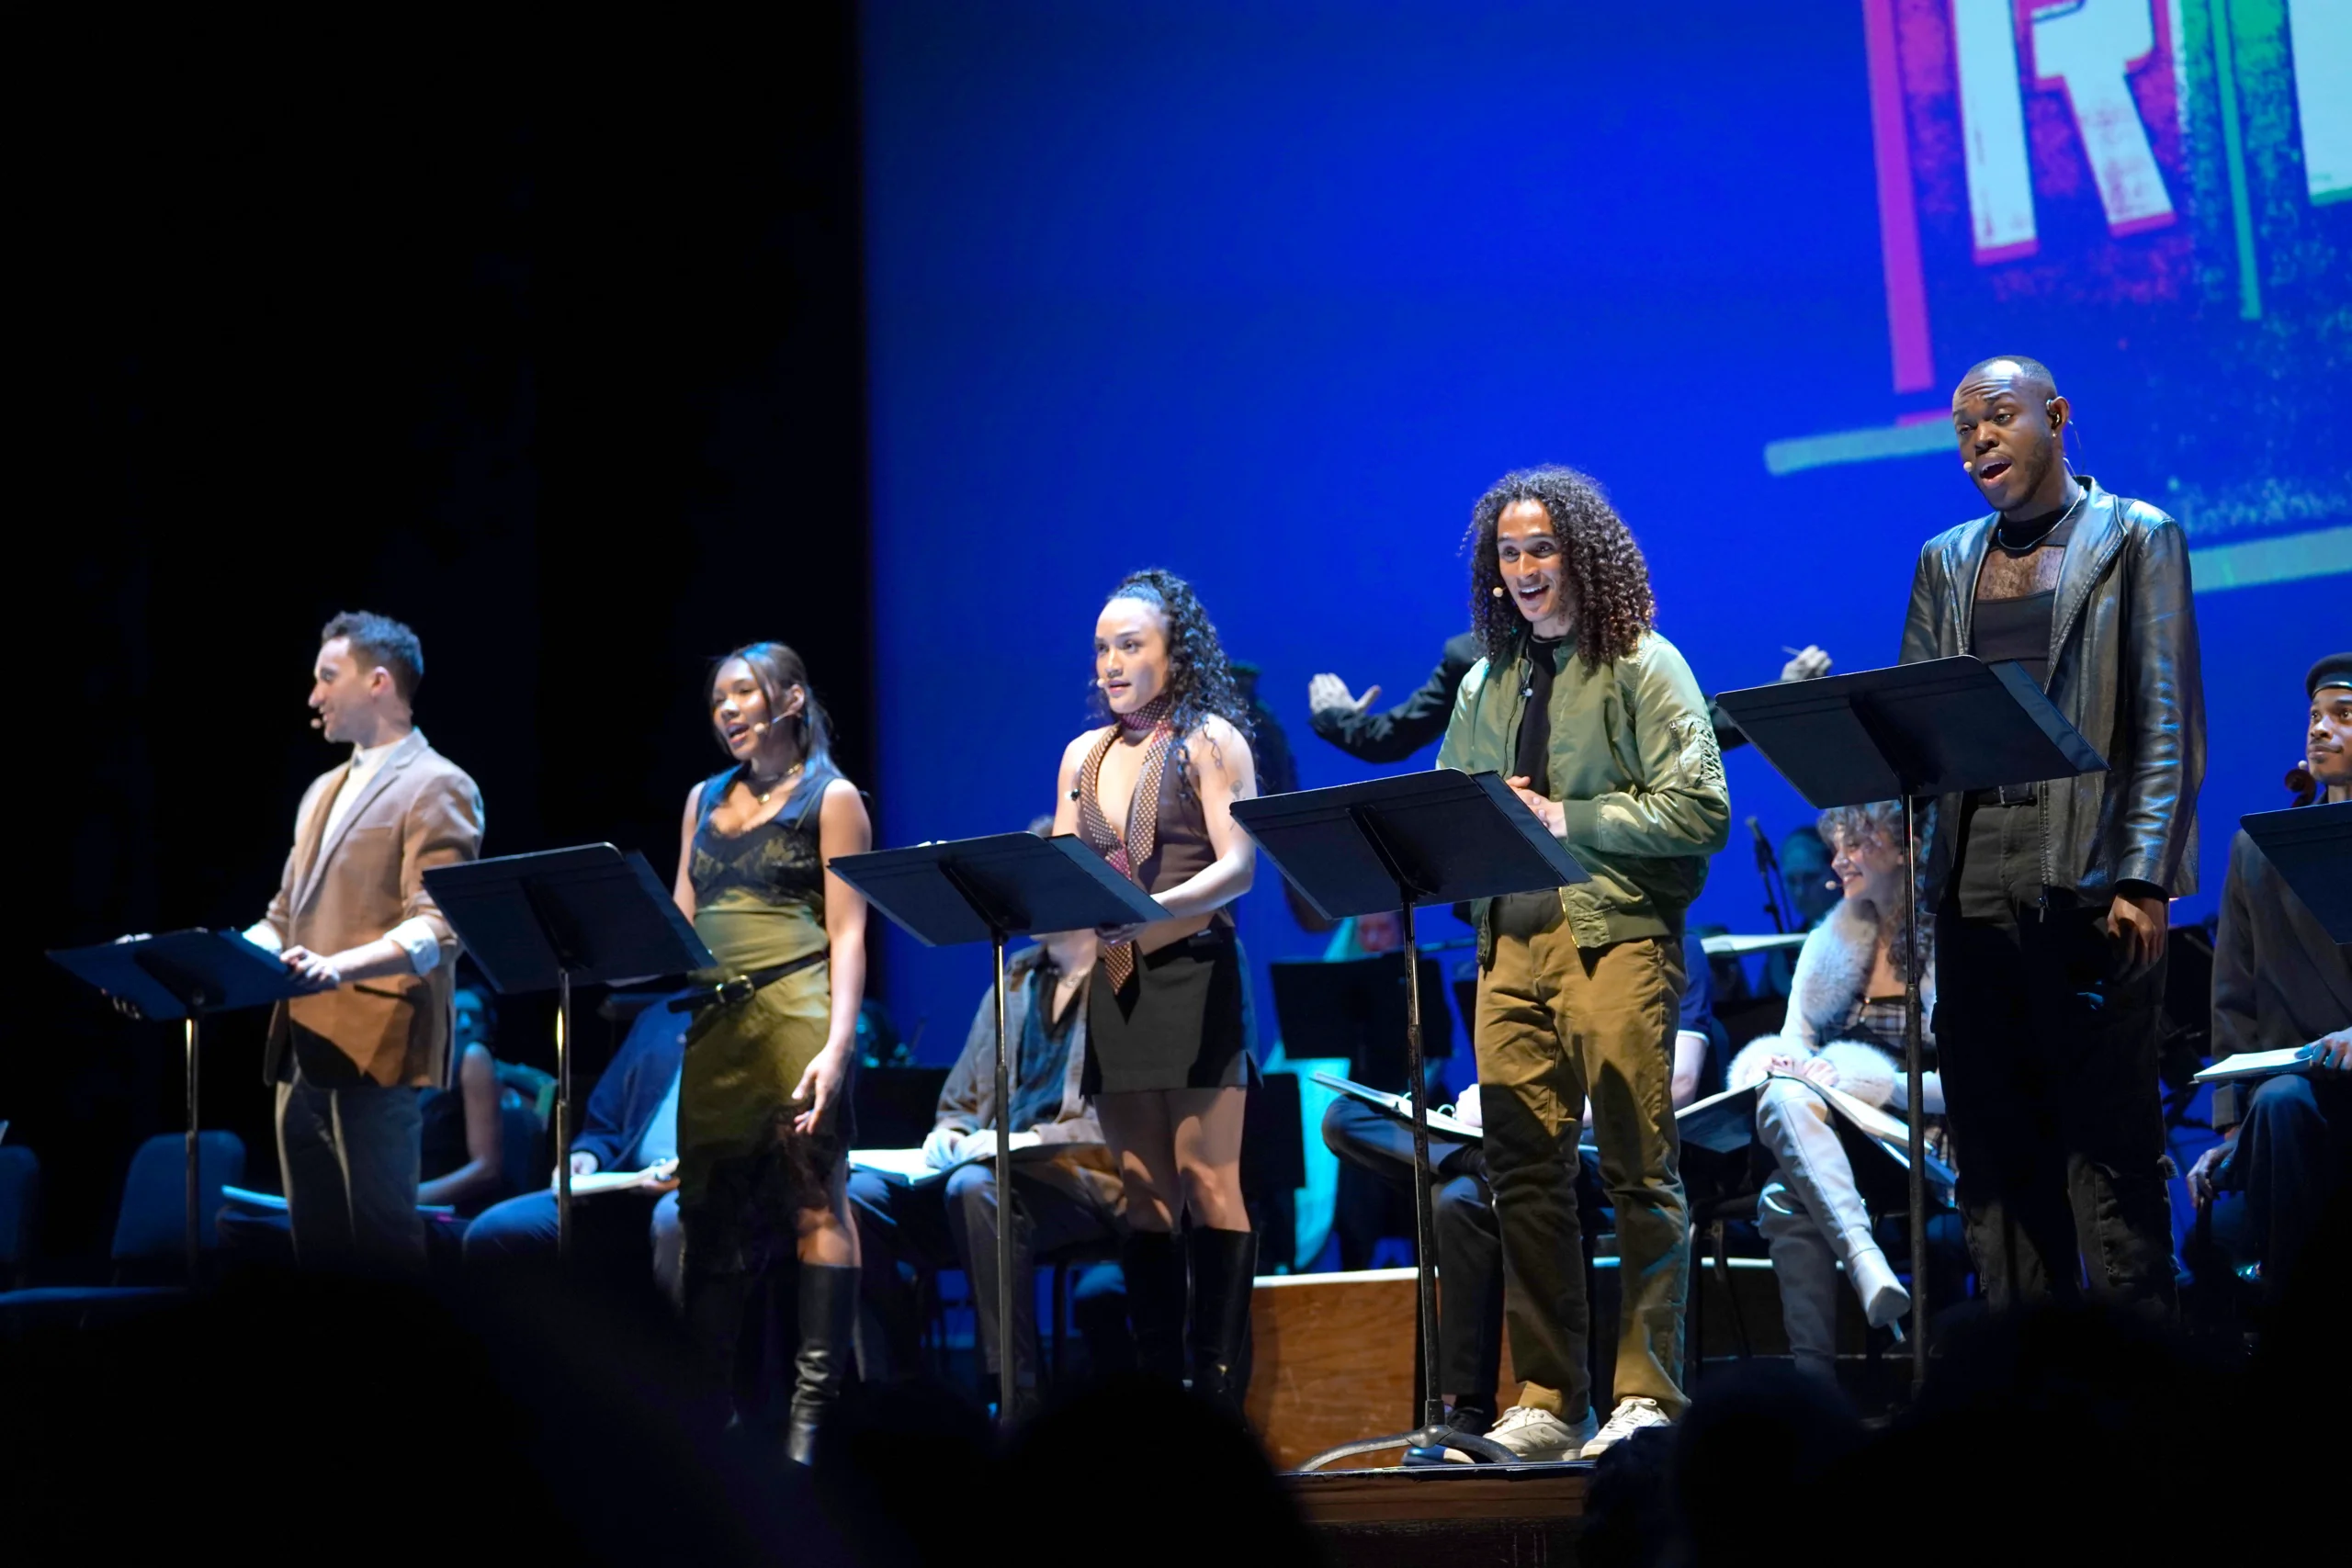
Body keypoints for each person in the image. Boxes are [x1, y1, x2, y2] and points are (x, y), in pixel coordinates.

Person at [1437, 467, 1729, 1461]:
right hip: (1507, 943)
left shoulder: (1645, 662)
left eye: (1542, 550)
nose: (1523, 569)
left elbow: (1700, 809)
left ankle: (1647, 1392)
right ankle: (1550, 1399)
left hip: (1616, 936)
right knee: (1522, 1173)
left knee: (1640, 1167)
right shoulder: (1485, 683)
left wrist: (1565, 816)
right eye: (1509, 553)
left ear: (1583, 556)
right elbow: (1450, 809)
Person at [1904, 355, 2202, 1313]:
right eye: (1963, 430)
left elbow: (2165, 720)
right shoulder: (1947, 559)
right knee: (1994, 1146)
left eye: (1997, 417)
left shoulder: (2135, 536)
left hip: (2087, 861)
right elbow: (1920, 727)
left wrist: (2144, 876)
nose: (1978, 441)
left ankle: (2137, 1379)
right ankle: (2021, 1377)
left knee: (2105, 1144)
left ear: (2057, 416)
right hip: (1972, 867)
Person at [1319, 929, 1719, 1444]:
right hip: (1512, 1144)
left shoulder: (1660, 941)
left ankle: (1468, 1410)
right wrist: (1492, 1117)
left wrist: (1527, 1120)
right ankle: (1484, 1159)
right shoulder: (1522, 947)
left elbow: (1679, 1082)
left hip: (1590, 1151)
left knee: (1459, 1199)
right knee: (1343, 1116)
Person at [1052, 569, 1259, 1410]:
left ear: (1176, 655)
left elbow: (1239, 867)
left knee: (1208, 1183)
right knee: (1143, 1193)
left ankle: (1217, 1397)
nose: (1111, 662)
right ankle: (1160, 1397)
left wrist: (1149, 912)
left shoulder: (1210, 740)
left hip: (1196, 973)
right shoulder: (1082, 756)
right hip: (1120, 983)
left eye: (1130, 645)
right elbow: (1063, 867)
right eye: (1102, 648)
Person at [671, 641, 871, 1463]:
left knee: (814, 1202)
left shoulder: (833, 797)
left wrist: (839, 1044)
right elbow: (682, 917)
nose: (727, 709)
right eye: (718, 697)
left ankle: (810, 1422)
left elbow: (848, 931)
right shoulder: (702, 798)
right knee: (706, 1217)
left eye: (744, 692)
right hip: (715, 1031)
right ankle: (712, 1420)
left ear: (790, 700)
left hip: (796, 1017)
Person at [243, 611, 483, 1272]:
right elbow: (281, 918)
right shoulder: (321, 790)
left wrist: (336, 967)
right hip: (301, 1044)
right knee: (315, 1248)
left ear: (378, 682)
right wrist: (212, 959)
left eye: (328, 677)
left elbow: (439, 924)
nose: (313, 696)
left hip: (378, 1041)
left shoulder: (438, 782)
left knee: (382, 1244)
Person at [850, 919, 1122, 1407]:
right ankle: (899, 1385)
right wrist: (950, 1133)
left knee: (974, 1186)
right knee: (858, 1197)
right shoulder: (1013, 977)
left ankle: (1013, 1391)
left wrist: (1026, 1139)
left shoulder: (1121, 976)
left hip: (1080, 1179)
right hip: (989, 1182)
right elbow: (960, 1101)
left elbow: (1118, 1120)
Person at [1726, 801, 1945, 1378]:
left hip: (1919, 1143)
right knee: (1781, 1098)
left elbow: (1971, 1082)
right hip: (1838, 1139)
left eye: (1856, 846)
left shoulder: (1942, 940)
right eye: (1838, 847)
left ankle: (1815, 1375)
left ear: (1904, 850)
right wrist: (1780, 1063)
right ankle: (1860, 1275)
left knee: (1784, 1193)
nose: (1839, 861)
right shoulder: (1829, 939)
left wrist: (1875, 1084)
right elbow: (1793, 1041)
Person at [2187, 653, 2352, 1303]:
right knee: (2280, 1102)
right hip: (2294, 1098)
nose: (2320, 729)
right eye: (2314, 717)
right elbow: (2234, 999)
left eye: (2343, 715)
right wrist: (2232, 1130)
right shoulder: (2258, 850)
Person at [463, 991, 690, 1303]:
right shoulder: (663, 1015)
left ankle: (673, 1336)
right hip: (627, 1185)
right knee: (494, 1230)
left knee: (671, 1219)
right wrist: (588, 1155)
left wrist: (689, 1171)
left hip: (696, 1189)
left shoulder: (754, 1015)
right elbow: (604, 1124)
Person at [1313, 638, 1830, 763]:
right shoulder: (1471, 657)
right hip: (1507, 879)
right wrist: (1338, 719)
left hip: (1601, 869)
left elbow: (1696, 730)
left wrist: (1781, 695)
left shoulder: (1622, 650)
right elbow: (1392, 737)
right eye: (1509, 556)